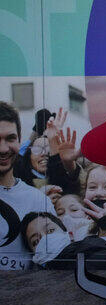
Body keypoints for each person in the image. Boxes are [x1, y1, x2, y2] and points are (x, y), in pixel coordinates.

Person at [0, 101, 59, 270]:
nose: (3, 149)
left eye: (10, 138)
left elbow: (56, 265)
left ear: (19, 140)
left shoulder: (39, 200)